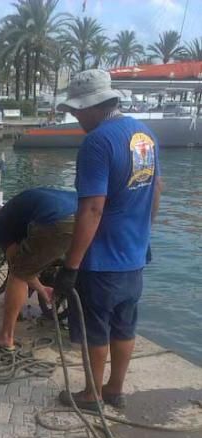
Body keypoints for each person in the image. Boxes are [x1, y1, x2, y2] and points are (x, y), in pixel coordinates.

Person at [53, 69, 162, 411]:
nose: (74, 117)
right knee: (125, 324)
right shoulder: (144, 135)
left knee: (95, 327)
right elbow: (156, 190)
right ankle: (115, 389)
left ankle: (91, 394)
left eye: (76, 111)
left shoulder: (97, 142)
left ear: (92, 106)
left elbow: (92, 208)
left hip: (102, 261)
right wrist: (143, 235)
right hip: (134, 257)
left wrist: (70, 265)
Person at [0, 187, 78, 351]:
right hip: (85, 213)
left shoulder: (1, 227)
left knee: (17, 273)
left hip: (58, 220)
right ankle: (83, 331)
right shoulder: (15, 208)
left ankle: (5, 336)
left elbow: (20, 270)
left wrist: (40, 288)